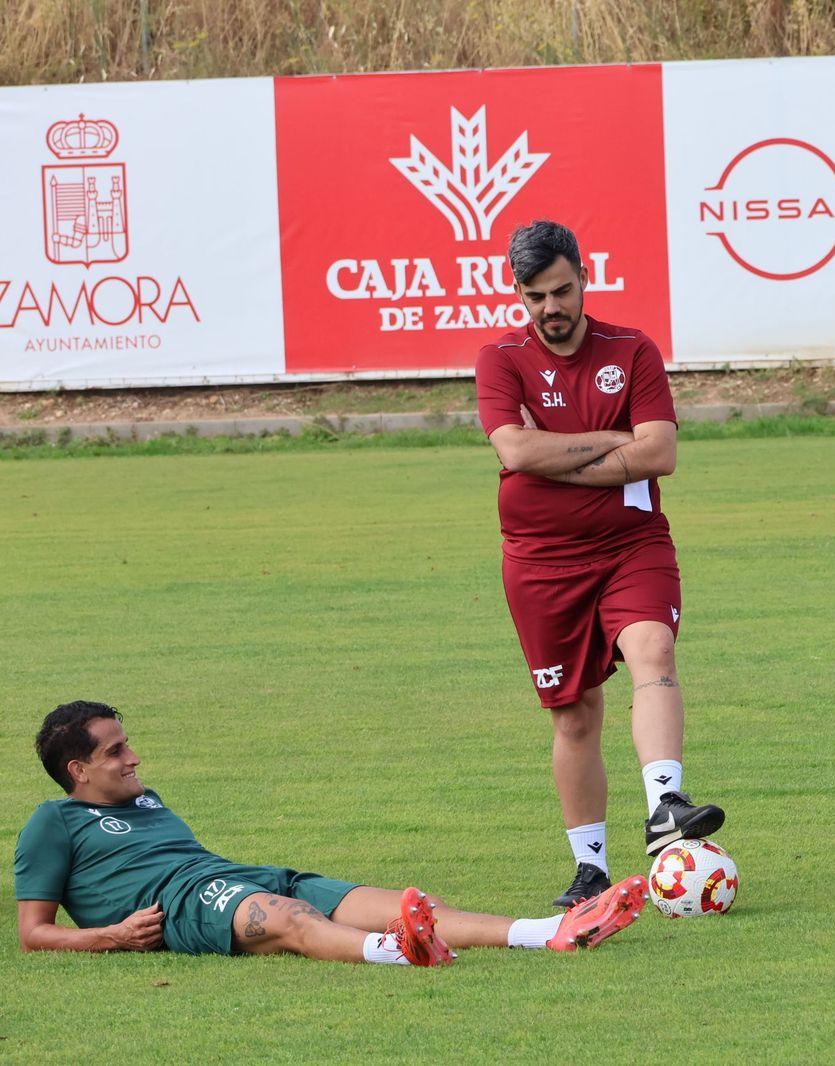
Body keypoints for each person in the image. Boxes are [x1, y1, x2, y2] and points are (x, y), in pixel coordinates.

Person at [474, 220, 724, 909]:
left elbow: (660, 454)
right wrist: (612, 444)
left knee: (652, 646)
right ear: (518, 294)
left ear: (585, 278)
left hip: (629, 546)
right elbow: (516, 454)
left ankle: (667, 807)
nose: (550, 308)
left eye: (561, 291)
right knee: (575, 716)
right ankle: (590, 867)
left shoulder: (632, 350)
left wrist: (558, 455)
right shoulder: (500, 358)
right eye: (535, 297)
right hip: (539, 563)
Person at [15, 702, 647, 965]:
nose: (134, 757)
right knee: (287, 917)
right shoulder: (54, 821)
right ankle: (397, 952)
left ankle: (550, 933)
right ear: (78, 770)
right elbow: (31, 933)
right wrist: (112, 936)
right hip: (179, 906)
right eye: (116, 750)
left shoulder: (145, 799)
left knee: (403, 902)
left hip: (231, 874)